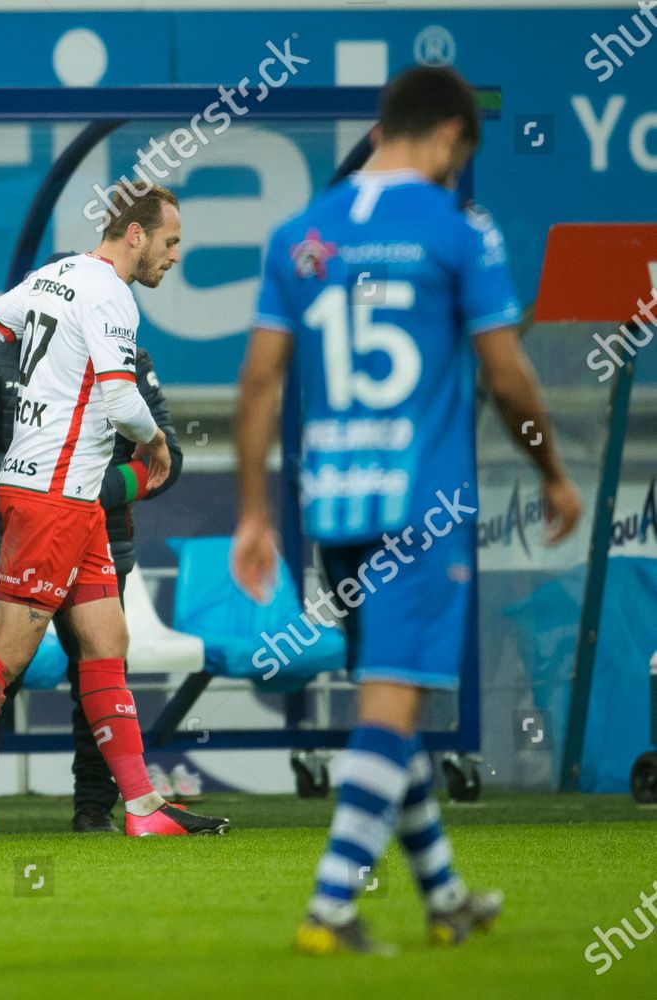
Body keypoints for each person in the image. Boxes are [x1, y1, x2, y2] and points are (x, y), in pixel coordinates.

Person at [231, 65, 583, 954]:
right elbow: (506, 375)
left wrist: (252, 513)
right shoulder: (459, 228)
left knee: (398, 697)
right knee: (392, 703)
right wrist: (551, 471)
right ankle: (331, 906)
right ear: (452, 139)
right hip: (420, 509)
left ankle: (444, 896)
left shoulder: (299, 234)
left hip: (334, 508)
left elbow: (260, 384)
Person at [0, 183, 231, 840]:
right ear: (136, 235)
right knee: (2, 655)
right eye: (170, 243)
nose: (174, 258)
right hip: (52, 500)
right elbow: (120, 399)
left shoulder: (53, 276)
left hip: (73, 501)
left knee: (107, 642)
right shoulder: (111, 294)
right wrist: (156, 439)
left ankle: (139, 806)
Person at [0, 325, 185, 832]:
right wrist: (51, 491)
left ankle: (95, 808)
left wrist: (79, 493)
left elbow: (167, 458)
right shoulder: (2, 360)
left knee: (101, 667)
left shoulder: (128, 357)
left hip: (102, 542)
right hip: (17, 542)